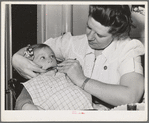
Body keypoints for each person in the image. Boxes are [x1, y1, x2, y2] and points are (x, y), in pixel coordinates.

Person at [12, 5, 145, 110]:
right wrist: (16, 57)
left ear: (117, 34)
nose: (90, 37)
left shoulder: (128, 48)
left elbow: (130, 96)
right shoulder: (72, 43)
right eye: (88, 27)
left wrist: (81, 80)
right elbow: (37, 50)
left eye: (100, 35)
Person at [15, 44, 92, 110]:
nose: (50, 60)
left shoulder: (64, 73)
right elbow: (21, 101)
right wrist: (28, 107)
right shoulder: (32, 84)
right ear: (31, 65)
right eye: (43, 58)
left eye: (52, 56)